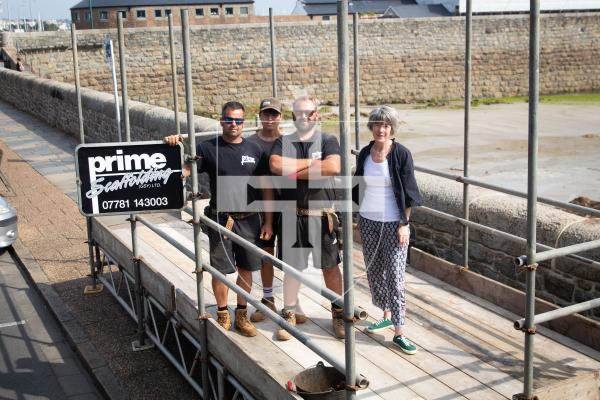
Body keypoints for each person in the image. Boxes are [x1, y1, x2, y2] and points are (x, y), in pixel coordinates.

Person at [165, 101, 273, 337]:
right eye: (229, 119)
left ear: (244, 123)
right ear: (221, 120)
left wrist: (268, 221)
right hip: (221, 219)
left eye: (238, 120)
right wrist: (174, 147)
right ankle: (223, 314)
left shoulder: (255, 150)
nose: (233, 124)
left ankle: (241, 316)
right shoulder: (208, 148)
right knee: (221, 270)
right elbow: (185, 170)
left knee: (247, 269)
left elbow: (266, 188)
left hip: (251, 219)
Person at [269, 96, 345, 340]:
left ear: (317, 115)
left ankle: (340, 313)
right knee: (293, 269)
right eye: (299, 113)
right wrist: (313, 165)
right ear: (293, 116)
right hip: (294, 215)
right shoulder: (282, 142)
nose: (304, 117)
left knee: (330, 268)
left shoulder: (328, 140)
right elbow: (277, 166)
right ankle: (289, 313)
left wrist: (295, 170)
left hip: (324, 216)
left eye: (309, 113)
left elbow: (333, 167)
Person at [353, 105, 422, 355]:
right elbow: (358, 185)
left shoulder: (401, 154)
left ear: (392, 128)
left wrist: (405, 224)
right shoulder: (363, 153)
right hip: (368, 220)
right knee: (374, 272)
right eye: (377, 124)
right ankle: (386, 314)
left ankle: (399, 332)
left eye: (386, 125)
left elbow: (410, 191)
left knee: (395, 276)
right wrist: (356, 216)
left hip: (394, 224)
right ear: (371, 127)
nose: (381, 129)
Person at [245, 97, 283, 323]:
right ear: (259, 115)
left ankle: (291, 301)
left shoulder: (290, 142)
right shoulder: (249, 142)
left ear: (281, 117)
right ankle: (268, 298)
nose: (270, 118)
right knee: (266, 252)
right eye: (266, 114)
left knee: (291, 256)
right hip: (260, 207)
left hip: (288, 205)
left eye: (274, 114)